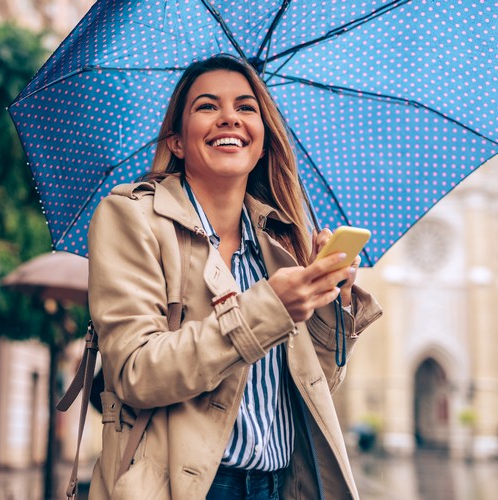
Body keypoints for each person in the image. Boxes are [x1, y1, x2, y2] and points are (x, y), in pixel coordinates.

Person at [86, 54, 382, 500]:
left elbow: (311, 385)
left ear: (262, 142)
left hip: (280, 485)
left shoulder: (280, 241)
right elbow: (135, 372)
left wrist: (327, 302)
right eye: (207, 106)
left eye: (247, 108)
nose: (230, 118)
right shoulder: (132, 217)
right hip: (190, 487)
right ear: (178, 141)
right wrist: (269, 309)